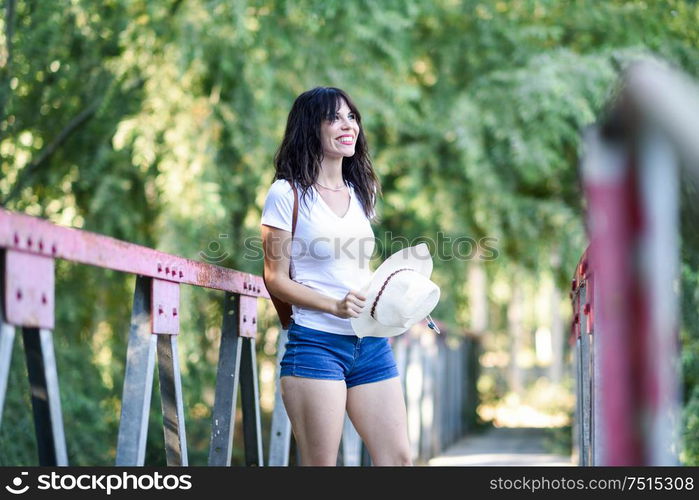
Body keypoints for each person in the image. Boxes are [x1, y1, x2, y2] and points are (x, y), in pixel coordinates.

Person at [260, 87, 411, 466]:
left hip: (371, 344)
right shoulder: (286, 194)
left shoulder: (363, 193)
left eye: (352, 117)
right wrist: (334, 305)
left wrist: (396, 297)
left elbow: (353, 269)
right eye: (334, 118)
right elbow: (274, 278)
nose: (348, 126)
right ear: (311, 128)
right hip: (316, 344)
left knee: (400, 460)